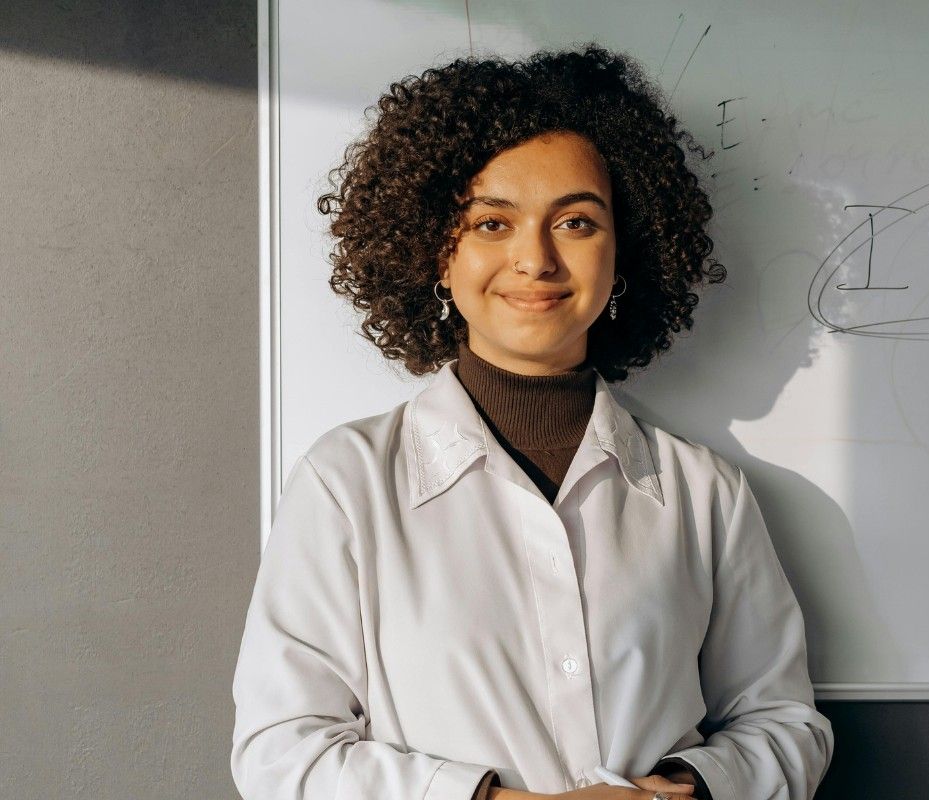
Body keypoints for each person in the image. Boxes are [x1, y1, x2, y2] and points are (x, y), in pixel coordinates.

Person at [230, 45, 833, 800]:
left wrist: (686, 788)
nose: (535, 259)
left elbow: (783, 722)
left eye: (575, 222)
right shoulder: (346, 482)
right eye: (491, 223)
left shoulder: (704, 492)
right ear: (435, 254)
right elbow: (282, 750)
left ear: (626, 252)